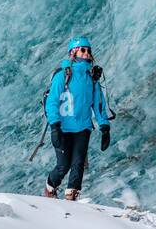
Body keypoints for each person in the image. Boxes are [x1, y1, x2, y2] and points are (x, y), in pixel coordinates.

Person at [43, 36, 112, 200]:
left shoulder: (91, 79)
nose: (87, 53)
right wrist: (54, 126)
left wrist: (104, 126)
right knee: (63, 166)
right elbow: (52, 101)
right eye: (83, 50)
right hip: (63, 127)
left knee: (78, 164)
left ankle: (71, 197)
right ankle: (50, 187)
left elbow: (98, 104)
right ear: (73, 52)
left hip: (83, 127)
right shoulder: (63, 75)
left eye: (88, 50)